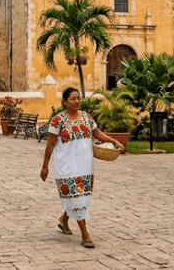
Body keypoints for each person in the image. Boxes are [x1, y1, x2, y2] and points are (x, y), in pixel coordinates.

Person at [40, 87, 124, 249]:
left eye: (78, 98)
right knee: (76, 195)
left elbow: (98, 134)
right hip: (66, 165)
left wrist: (114, 141)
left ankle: (64, 219)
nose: (77, 101)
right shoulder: (58, 120)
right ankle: (85, 235)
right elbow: (50, 143)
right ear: (65, 101)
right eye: (73, 98)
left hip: (85, 165)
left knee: (78, 196)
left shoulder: (87, 117)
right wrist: (45, 166)